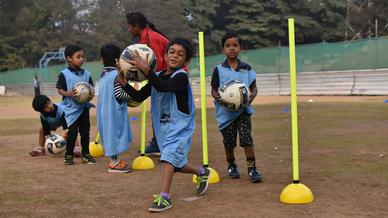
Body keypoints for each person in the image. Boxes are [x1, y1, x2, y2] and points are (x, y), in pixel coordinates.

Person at [119, 38, 210, 212]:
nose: (175, 56)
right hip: (164, 128)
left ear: (186, 61)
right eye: (172, 52)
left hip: (180, 127)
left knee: (168, 157)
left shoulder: (181, 77)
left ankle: (165, 197)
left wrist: (146, 70)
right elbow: (139, 97)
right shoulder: (158, 75)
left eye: (180, 54)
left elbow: (164, 87)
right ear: (165, 55)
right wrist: (125, 85)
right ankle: (201, 172)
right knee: (176, 164)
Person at [211, 32, 263, 183]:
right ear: (223, 49)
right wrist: (219, 98)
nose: (231, 48)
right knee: (229, 142)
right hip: (225, 114)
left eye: (235, 45)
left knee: (247, 140)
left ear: (240, 48)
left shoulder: (246, 68)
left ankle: (252, 168)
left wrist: (250, 99)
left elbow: (254, 87)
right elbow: (214, 89)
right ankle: (231, 165)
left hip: (243, 112)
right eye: (228, 46)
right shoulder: (219, 69)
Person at [126, 11, 169, 156]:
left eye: (129, 26)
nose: (128, 30)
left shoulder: (150, 38)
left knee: (162, 111)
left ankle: (163, 143)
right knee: (156, 110)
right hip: (159, 76)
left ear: (136, 26)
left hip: (166, 76)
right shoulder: (146, 37)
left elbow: (154, 64)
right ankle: (158, 142)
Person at [56, 44, 96, 165]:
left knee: (85, 132)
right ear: (69, 58)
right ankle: (69, 155)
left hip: (84, 108)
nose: (81, 59)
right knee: (72, 133)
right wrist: (68, 93)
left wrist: (89, 94)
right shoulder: (64, 74)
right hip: (70, 110)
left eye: (83, 57)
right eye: (78, 57)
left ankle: (86, 154)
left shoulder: (87, 74)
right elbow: (59, 89)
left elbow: (91, 88)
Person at [97, 44, 132, 173]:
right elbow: (119, 94)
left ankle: (115, 160)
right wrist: (131, 96)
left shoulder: (104, 75)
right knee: (114, 135)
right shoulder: (116, 76)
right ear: (118, 60)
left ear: (102, 59)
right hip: (114, 111)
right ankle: (114, 163)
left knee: (111, 135)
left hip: (105, 111)